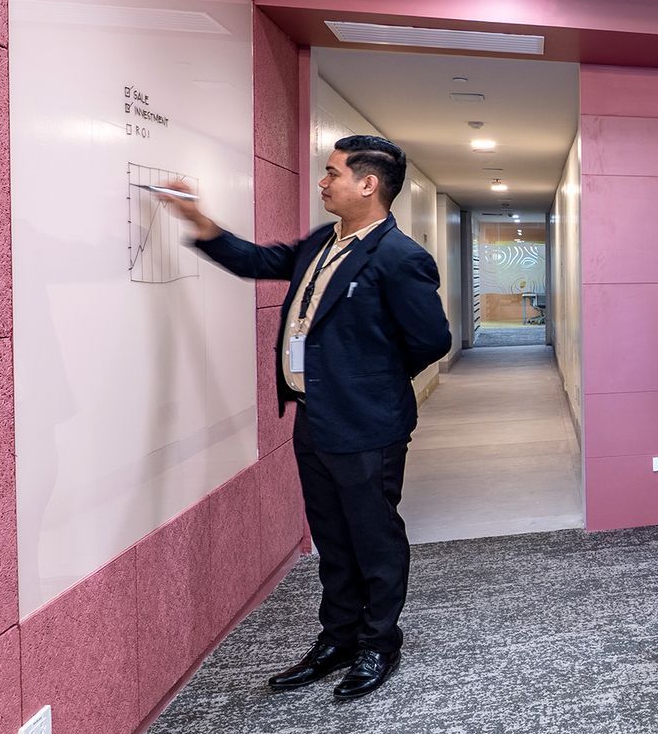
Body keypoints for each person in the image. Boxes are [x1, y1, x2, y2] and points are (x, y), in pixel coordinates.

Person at [161, 135, 451, 699]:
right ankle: (338, 637)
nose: (323, 181)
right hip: (314, 417)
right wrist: (198, 222)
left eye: (333, 173)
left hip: (367, 423)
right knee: (331, 535)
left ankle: (378, 642)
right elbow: (259, 261)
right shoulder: (323, 241)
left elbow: (431, 340)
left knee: (373, 536)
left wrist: (368, 382)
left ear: (368, 184)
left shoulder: (399, 257)